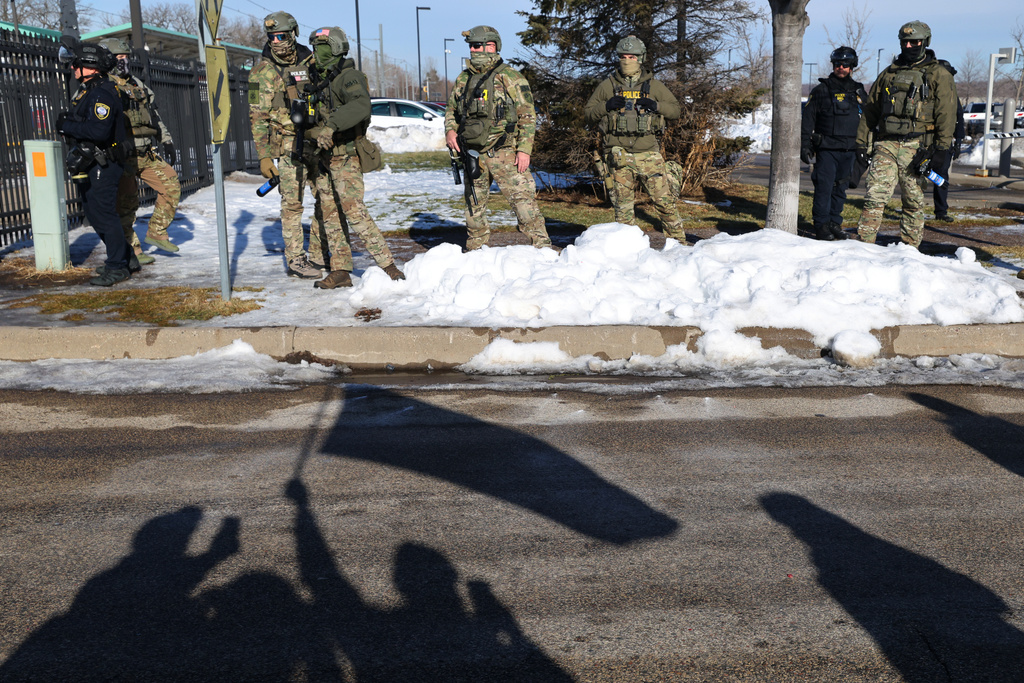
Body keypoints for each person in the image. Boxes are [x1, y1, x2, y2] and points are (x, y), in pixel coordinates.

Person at [303, 26, 405, 289]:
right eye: (314, 46)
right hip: (324, 158)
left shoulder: (348, 77)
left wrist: (331, 126)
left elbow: (360, 106)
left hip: (345, 157)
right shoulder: (318, 79)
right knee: (330, 215)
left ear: (336, 48)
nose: (316, 51)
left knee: (355, 213)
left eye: (322, 46)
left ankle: (389, 266)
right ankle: (340, 270)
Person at [444, 26, 551, 251]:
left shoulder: (510, 76)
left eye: (476, 46)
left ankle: (543, 249)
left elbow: (528, 116)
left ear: (491, 46)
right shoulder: (464, 79)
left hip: (506, 154)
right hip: (473, 154)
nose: (472, 50)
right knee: (474, 205)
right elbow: (452, 110)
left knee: (523, 203)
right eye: (471, 46)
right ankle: (475, 249)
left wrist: (524, 150)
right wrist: (450, 130)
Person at [855, 21, 958, 249]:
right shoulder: (888, 74)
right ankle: (861, 249)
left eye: (915, 42)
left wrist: (942, 149)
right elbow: (871, 110)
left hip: (918, 147)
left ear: (925, 42)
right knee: (875, 197)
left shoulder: (938, 74)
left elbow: (946, 115)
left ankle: (910, 252)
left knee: (913, 201)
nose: (909, 46)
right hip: (887, 144)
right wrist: (861, 143)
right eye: (905, 42)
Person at [248, 11, 330, 278]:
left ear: (293, 33)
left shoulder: (310, 60)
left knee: (325, 198)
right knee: (292, 205)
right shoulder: (260, 72)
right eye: (271, 37)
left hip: (315, 140)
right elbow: (256, 116)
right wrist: (263, 156)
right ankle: (296, 259)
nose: (276, 41)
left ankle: (318, 254)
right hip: (286, 146)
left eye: (281, 35)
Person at [584, 35, 686, 243]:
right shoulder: (607, 86)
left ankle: (680, 245)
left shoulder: (654, 86)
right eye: (623, 56)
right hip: (618, 155)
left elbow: (676, 111)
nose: (627, 61)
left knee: (665, 203)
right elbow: (587, 115)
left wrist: (656, 106)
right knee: (622, 209)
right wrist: (606, 106)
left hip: (648, 153)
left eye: (632, 56)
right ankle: (626, 249)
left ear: (641, 58)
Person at [56, 40, 136, 286]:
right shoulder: (89, 89)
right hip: (93, 162)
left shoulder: (101, 92)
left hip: (104, 163)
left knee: (103, 216)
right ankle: (127, 258)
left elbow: (99, 131)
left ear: (88, 66)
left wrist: (65, 125)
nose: (72, 68)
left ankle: (117, 266)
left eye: (76, 64)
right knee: (94, 213)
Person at [100, 37, 181, 262]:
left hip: (146, 151)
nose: (123, 62)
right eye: (118, 58)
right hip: (123, 154)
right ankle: (133, 251)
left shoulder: (137, 84)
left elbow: (153, 115)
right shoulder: (104, 86)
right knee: (127, 204)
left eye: (125, 57)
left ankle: (156, 232)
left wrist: (166, 140)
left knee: (171, 185)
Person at [801, 46, 867, 241]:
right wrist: (805, 144)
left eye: (845, 64)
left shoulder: (859, 91)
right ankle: (821, 226)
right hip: (827, 149)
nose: (841, 67)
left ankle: (834, 223)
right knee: (824, 188)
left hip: (850, 150)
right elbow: (808, 119)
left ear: (852, 66)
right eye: (837, 64)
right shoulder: (821, 90)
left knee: (840, 189)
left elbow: (867, 121)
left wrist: (866, 147)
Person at [932, 59, 965, 223]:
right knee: (917, 175)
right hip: (926, 140)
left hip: (944, 143)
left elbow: (959, 117)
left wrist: (958, 140)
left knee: (941, 176)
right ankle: (910, 209)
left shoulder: (953, 94)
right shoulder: (928, 93)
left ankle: (941, 210)